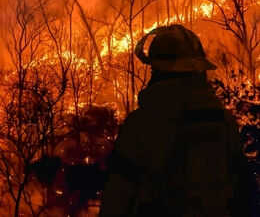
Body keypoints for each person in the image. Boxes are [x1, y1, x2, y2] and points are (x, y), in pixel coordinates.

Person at [99, 24, 256, 217]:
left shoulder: (140, 125)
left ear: (156, 70)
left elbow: (117, 198)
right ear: (199, 70)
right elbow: (246, 194)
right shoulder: (223, 122)